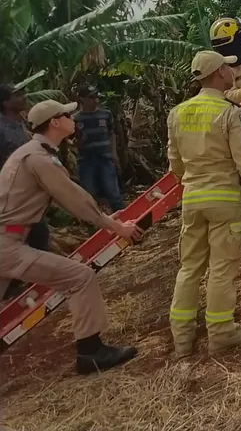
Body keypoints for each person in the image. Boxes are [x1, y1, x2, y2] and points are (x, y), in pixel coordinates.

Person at [0, 99, 143, 374]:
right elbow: (74, 199)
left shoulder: (30, 152)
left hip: (9, 240)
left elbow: (66, 199)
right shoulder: (39, 158)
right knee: (79, 277)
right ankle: (91, 352)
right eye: (67, 114)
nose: (73, 117)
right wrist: (116, 227)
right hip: (7, 245)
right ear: (54, 122)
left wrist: (105, 222)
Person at [166, 50, 241, 358]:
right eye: (227, 66)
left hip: (192, 199)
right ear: (219, 73)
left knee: (190, 267)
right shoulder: (229, 113)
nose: (232, 69)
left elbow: (175, 166)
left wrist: (195, 179)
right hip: (225, 200)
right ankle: (220, 333)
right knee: (222, 268)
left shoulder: (177, 113)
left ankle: (182, 340)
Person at [0, 84, 49, 259]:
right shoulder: (2, 128)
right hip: (13, 194)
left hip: (28, 190)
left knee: (38, 234)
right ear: (5, 102)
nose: (24, 96)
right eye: (17, 95)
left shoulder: (20, 122)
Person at [73, 85, 125, 213]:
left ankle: (126, 221)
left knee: (113, 192)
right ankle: (95, 225)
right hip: (86, 160)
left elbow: (111, 133)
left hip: (105, 158)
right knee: (88, 195)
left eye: (96, 97)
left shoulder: (105, 114)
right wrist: (79, 142)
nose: (95, 100)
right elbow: (71, 142)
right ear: (81, 99)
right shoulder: (75, 118)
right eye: (91, 98)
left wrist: (114, 154)